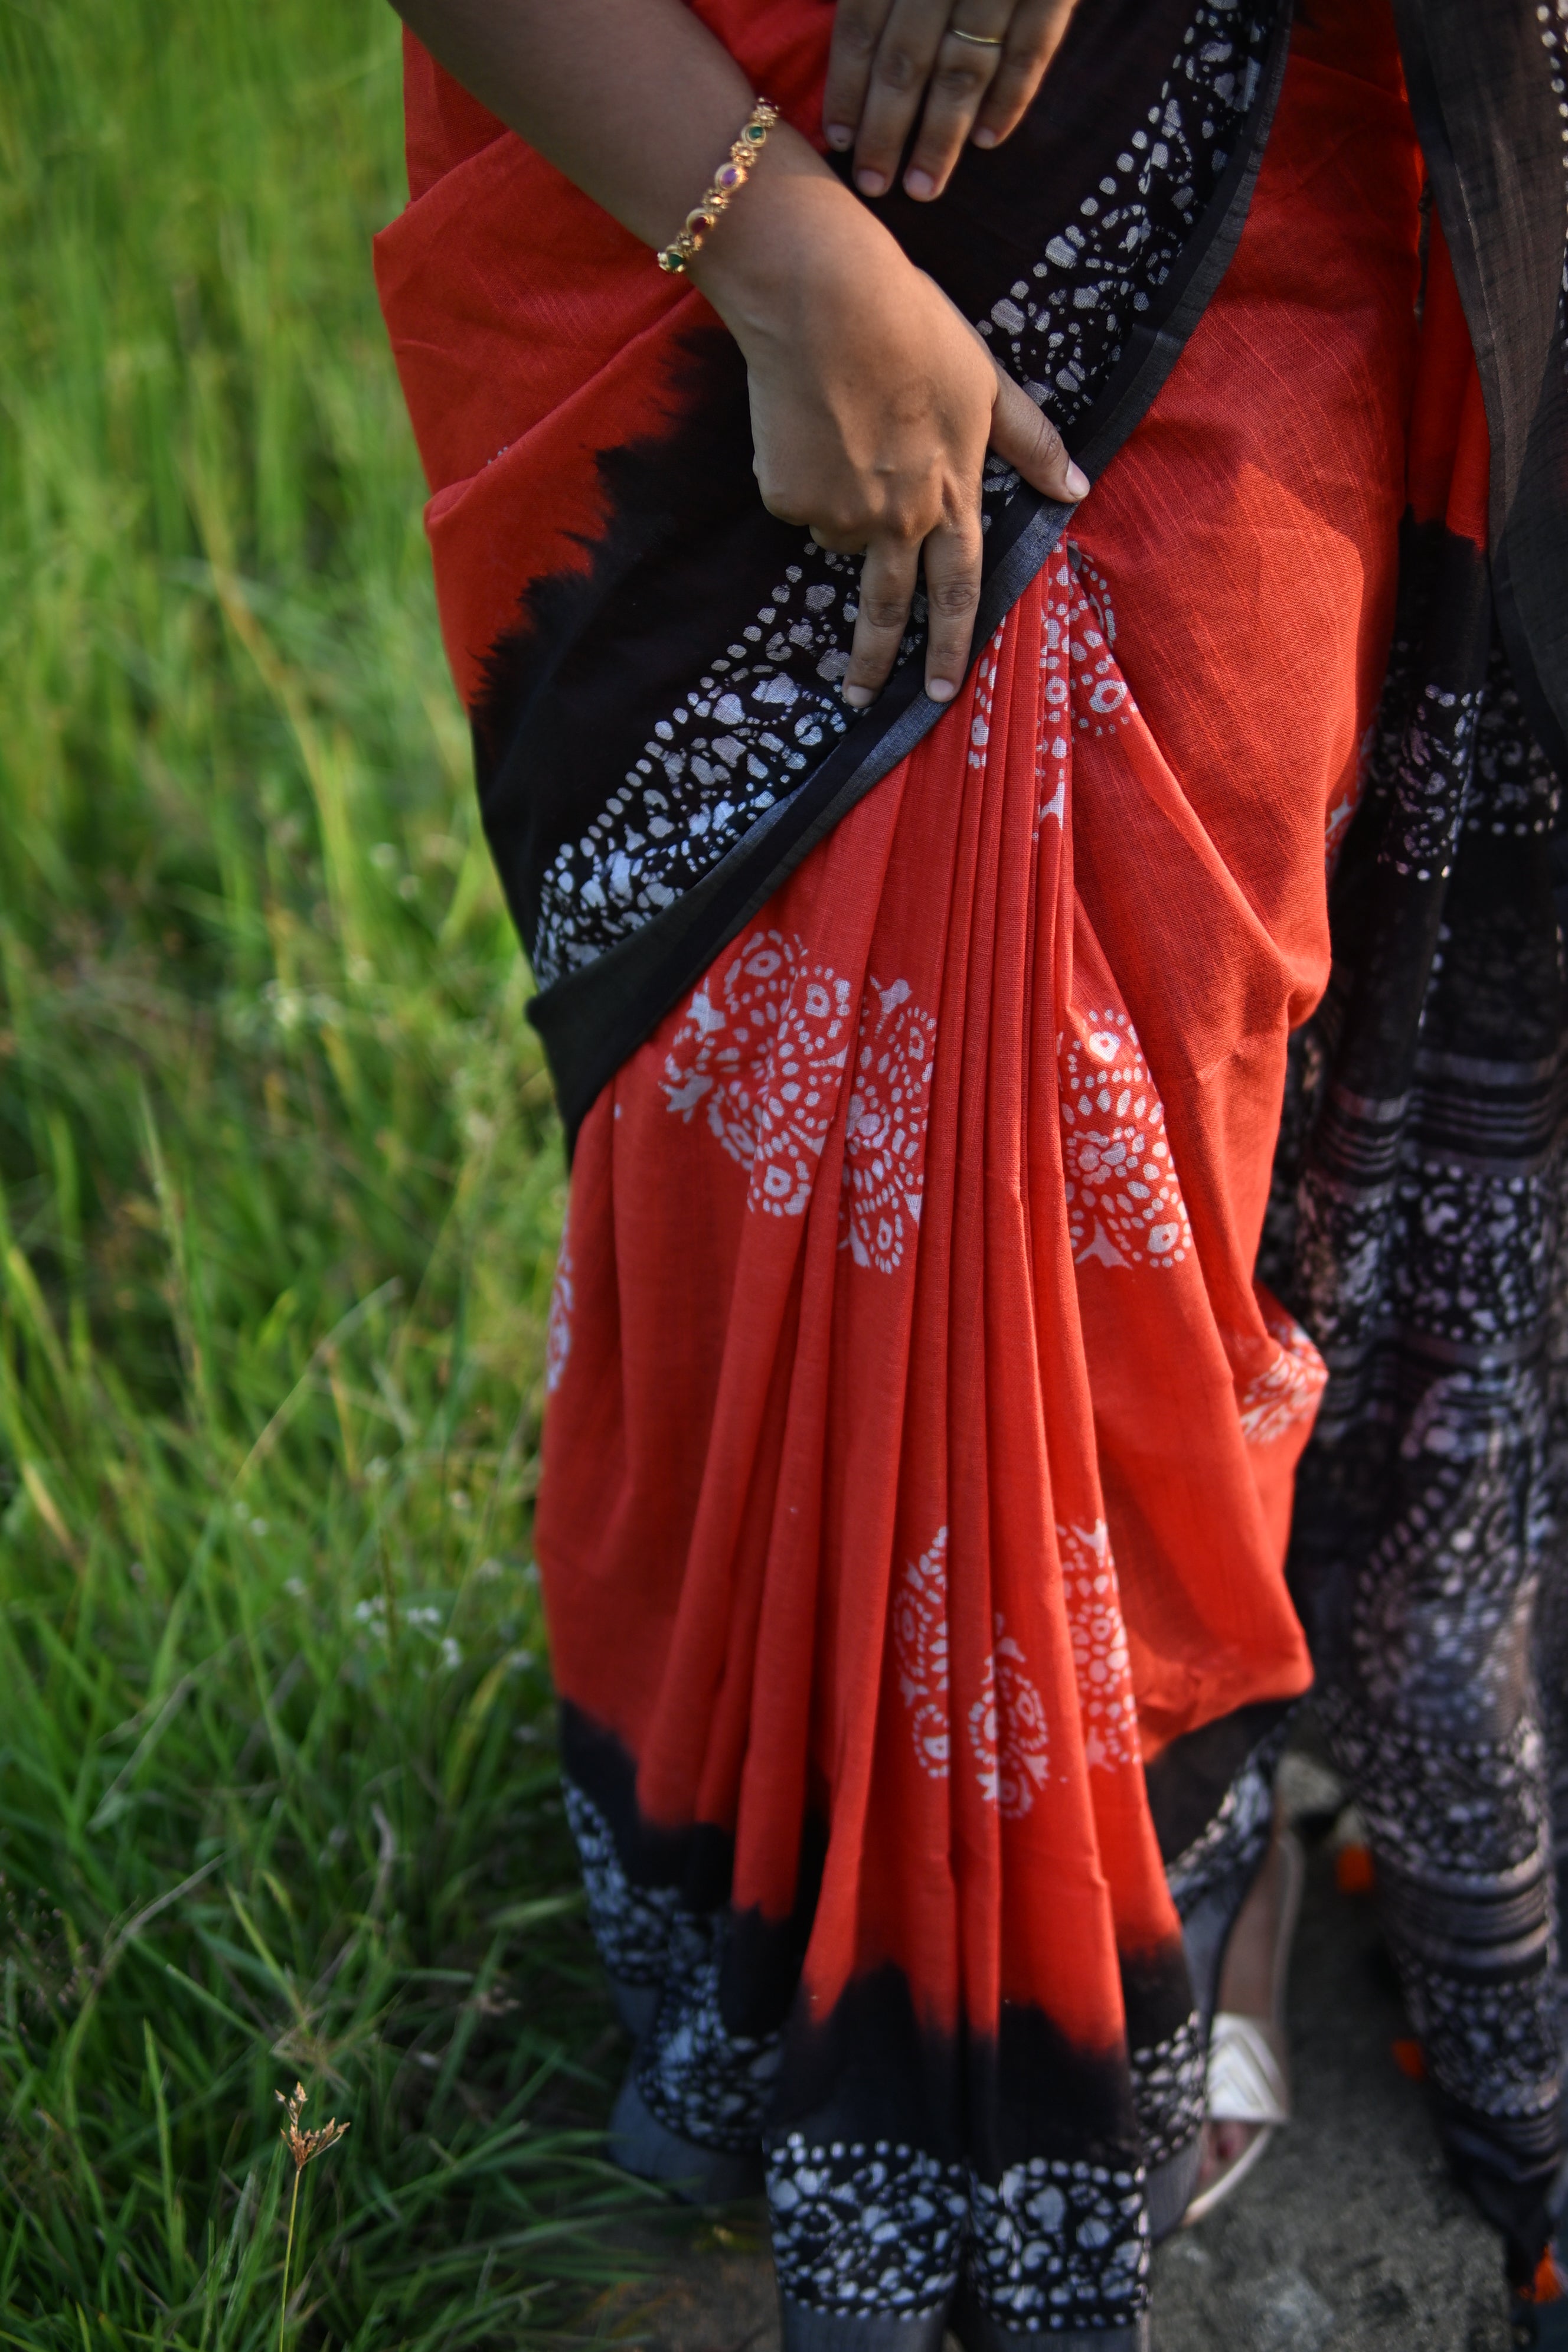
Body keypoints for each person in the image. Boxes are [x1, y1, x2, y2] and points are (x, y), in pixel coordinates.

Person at [371, 0, 1568, 2340]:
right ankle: (851, 1918)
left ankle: (1162, 1868)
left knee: (1182, 1103)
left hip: (1245, 161)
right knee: (788, 1138)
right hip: (686, 169)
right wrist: (771, 243)